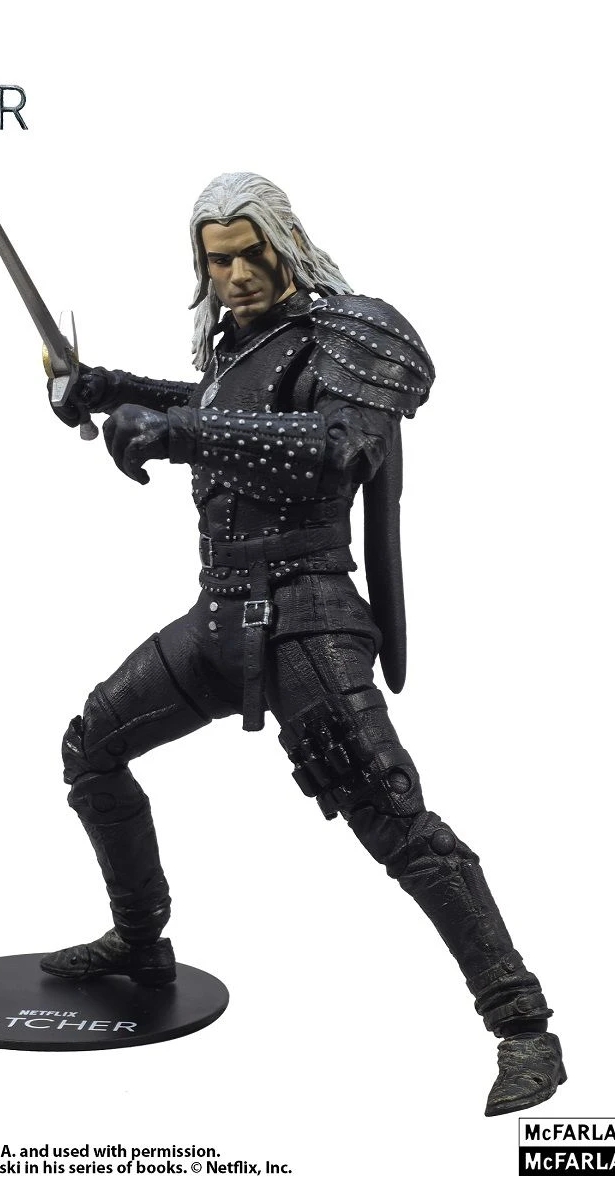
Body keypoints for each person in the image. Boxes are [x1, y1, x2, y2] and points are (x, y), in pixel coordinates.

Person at [40, 172, 564, 1116]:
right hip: (219, 616)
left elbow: (329, 447)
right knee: (92, 748)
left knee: (396, 819)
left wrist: (178, 430)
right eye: (218, 261)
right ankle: (142, 944)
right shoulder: (240, 348)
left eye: (251, 254)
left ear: (285, 244)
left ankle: (524, 1028)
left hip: (307, 620)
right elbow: (213, 404)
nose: (236, 275)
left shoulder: (351, 335)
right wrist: (110, 389)